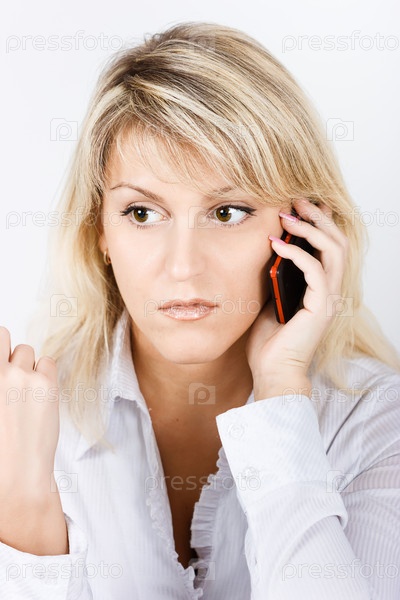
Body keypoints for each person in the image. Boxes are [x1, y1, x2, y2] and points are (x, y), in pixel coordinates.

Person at [1, 21, 399, 600]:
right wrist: (23, 507)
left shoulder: (375, 421)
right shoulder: (21, 420)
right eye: (142, 213)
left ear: (303, 232)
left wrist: (282, 393)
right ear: (100, 232)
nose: (183, 267)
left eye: (227, 212)